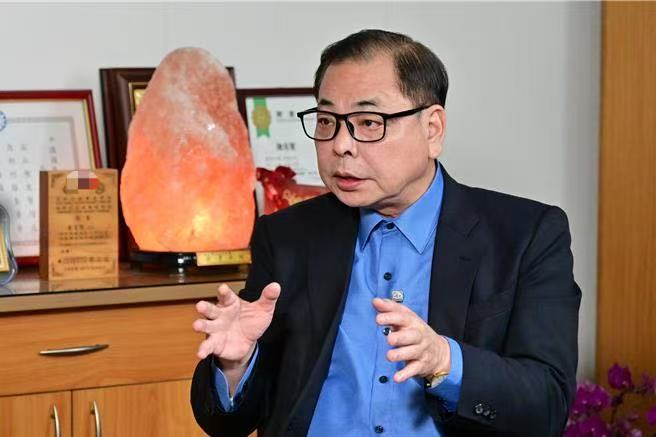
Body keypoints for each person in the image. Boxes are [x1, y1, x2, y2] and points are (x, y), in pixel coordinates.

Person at [190, 29, 581, 437]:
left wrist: (445, 361)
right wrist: (236, 364)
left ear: (432, 129)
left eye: (368, 122)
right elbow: (226, 423)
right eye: (327, 121)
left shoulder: (525, 235)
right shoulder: (288, 236)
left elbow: (547, 406)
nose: (341, 145)